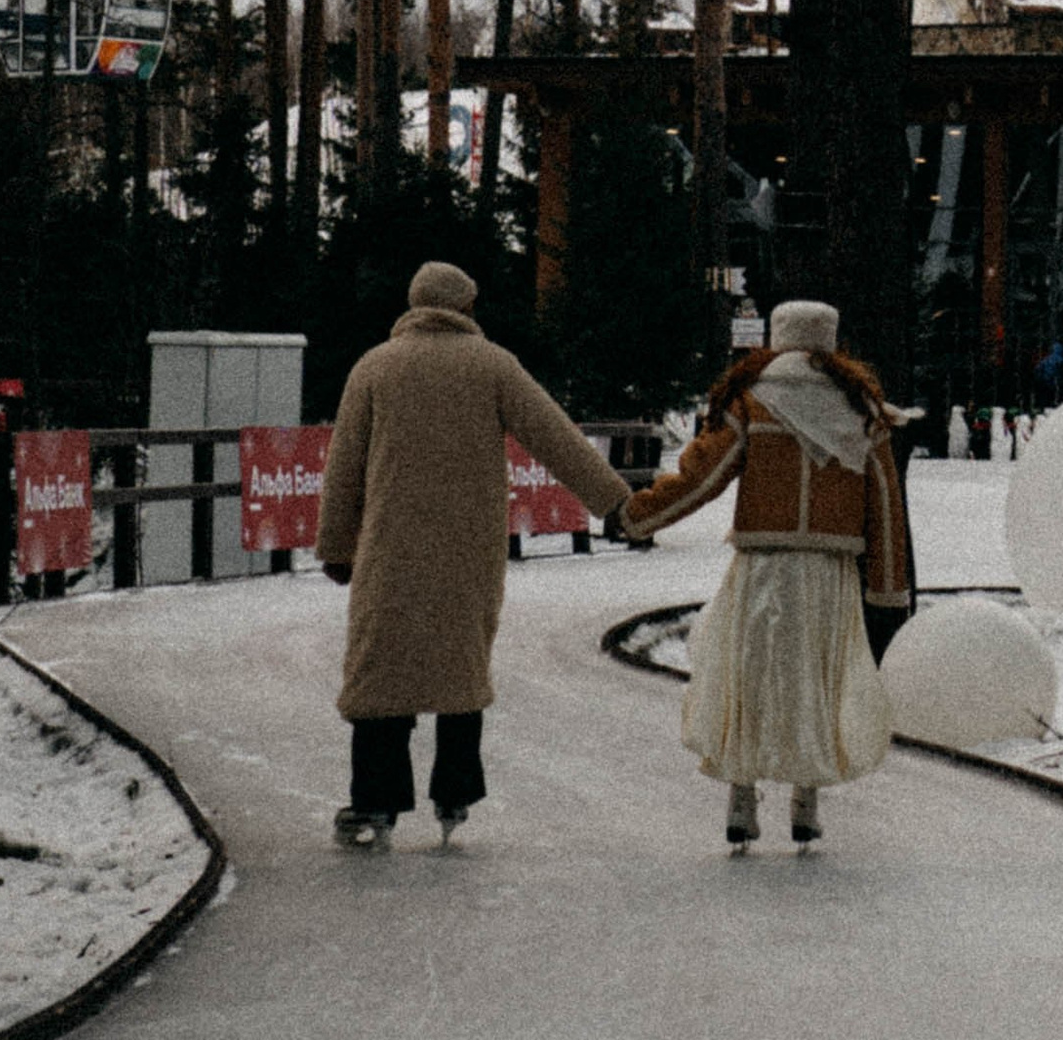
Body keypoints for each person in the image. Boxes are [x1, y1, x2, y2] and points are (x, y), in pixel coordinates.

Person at [316, 259, 630, 847]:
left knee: (381, 670)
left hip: (390, 551)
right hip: (470, 551)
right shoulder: (493, 366)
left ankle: (376, 803)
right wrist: (613, 500)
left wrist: (336, 546)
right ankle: (454, 792)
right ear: (464, 306)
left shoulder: (375, 367)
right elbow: (556, 437)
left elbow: (344, 468)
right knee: (460, 667)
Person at [617, 297, 909, 851]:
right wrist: (888, 588)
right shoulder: (862, 412)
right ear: (830, 341)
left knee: (750, 677)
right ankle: (806, 802)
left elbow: (702, 478)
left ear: (777, 338)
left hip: (762, 564)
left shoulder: (751, 402)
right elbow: (885, 506)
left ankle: (742, 799)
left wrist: (640, 516)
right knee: (816, 682)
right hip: (828, 571)